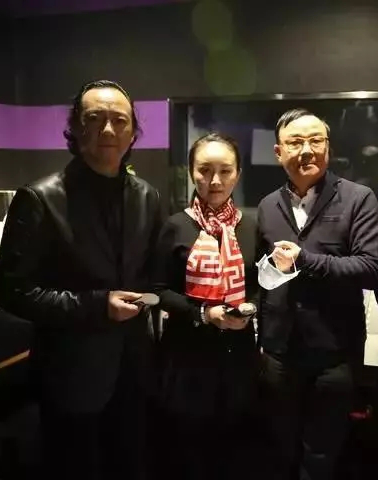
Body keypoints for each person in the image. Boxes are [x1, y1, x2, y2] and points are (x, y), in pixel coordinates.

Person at [0, 80, 162, 480]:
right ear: (75, 127)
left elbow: (151, 276)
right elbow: (13, 291)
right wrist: (97, 305)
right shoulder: (39, 197)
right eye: (95, 118)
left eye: (119, 120)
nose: (108, 129)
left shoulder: (148, 196)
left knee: (130, 465)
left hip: (133, 369)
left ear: (133, 132)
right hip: (70, 374)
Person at [255, 108, 378, 480]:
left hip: (335, 355)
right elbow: (263, 274)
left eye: (316, 140)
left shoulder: (358, 198)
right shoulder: (267, 205)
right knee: (279, 449)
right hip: (279, 353)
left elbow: (372, 269)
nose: (307, 150)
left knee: (322, 455)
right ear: (279, 152)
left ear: (328, 148)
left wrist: (306, 260)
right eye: (296, 142)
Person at [151, 133, 260, 480]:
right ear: (191, 172)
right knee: (188, 451)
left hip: (237, 355)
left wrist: (250, 309)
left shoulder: (251, 226)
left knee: (232, 449)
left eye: (225, 171)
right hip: (186, 355)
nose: (215, 180)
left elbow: (261, 286)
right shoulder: (175, 226)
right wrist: (202, 313)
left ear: (238, 174)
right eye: (205, 170)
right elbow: (157, 291)